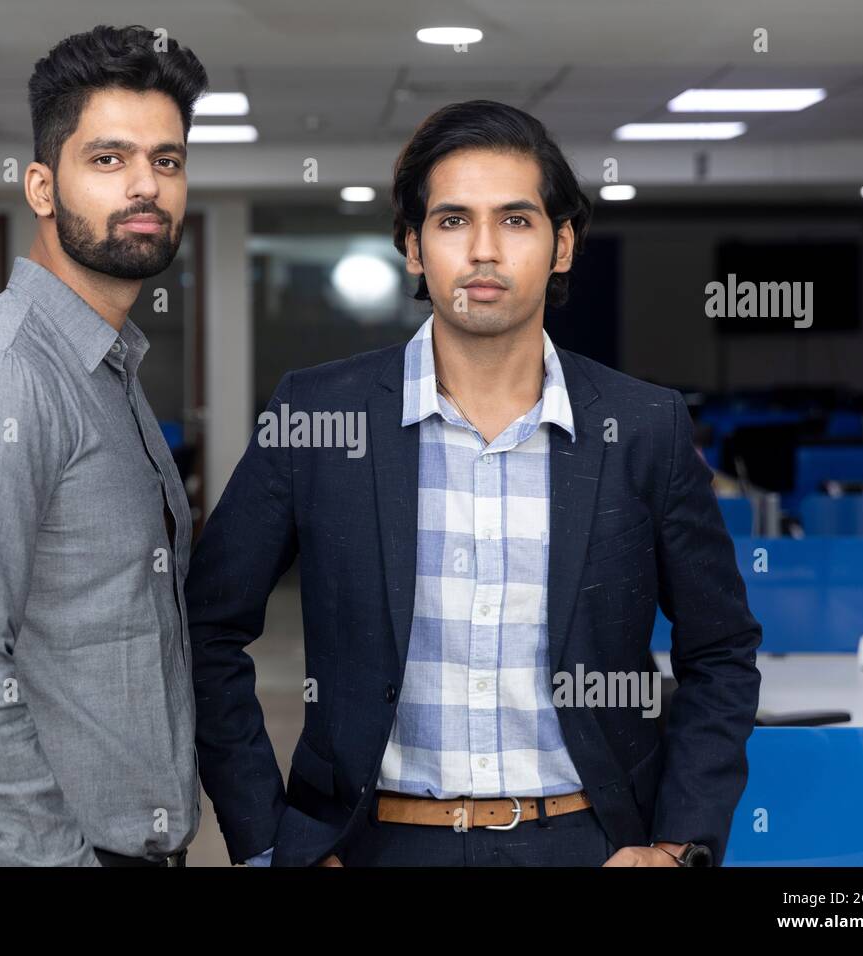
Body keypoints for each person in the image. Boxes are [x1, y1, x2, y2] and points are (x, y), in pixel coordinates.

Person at [187, 100, 762, 867]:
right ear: (413, 248)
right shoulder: (318, 415)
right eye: (453, 220)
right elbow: (207, 628)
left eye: (516, 221)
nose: (484, 250)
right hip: (374, 846)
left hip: (589, 842)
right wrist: (268, 840)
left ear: (563, 245)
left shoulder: (644, 426)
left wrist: (678, 844)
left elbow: (721, 650)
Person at [0, 24, 207, 866]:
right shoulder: (0, 376)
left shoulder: (107, 367)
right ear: (40, 185)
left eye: (166, 161)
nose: (145, 185)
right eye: (108, 159)